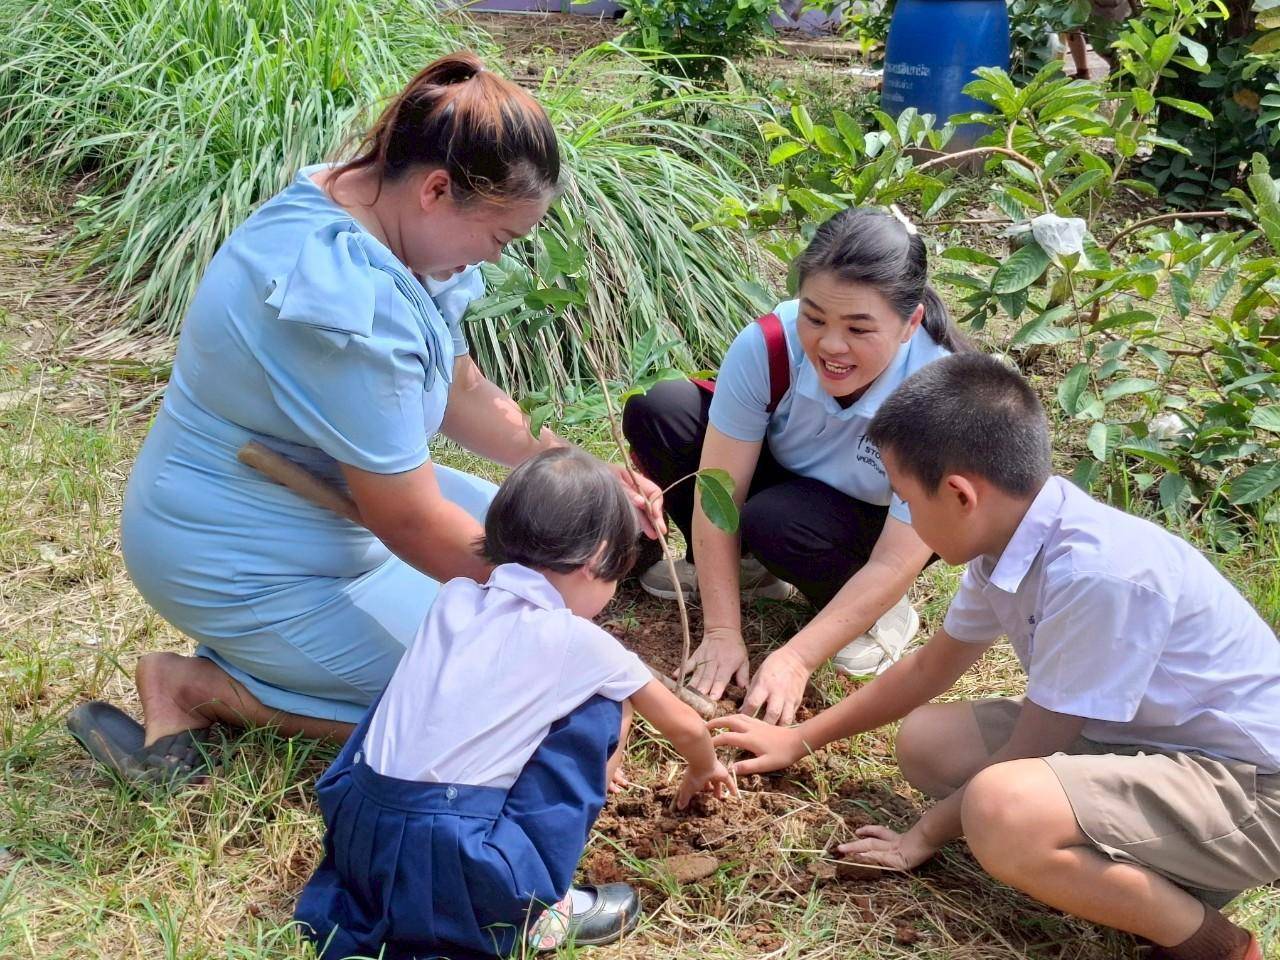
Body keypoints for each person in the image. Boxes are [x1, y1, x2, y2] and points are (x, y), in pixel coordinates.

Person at [66, 51, 662, 783]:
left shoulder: (374, 210)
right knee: (503, 710)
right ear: (436, 190)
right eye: (500, 238)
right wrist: (539, 608)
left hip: (334, 511)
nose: (492, 259)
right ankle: (205, 689)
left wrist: (577, 469)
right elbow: (408, 520)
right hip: (243, 556)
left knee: (547, 548)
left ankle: (276, 663)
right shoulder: (344, 296)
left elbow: (459, 388)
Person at [711, 353, 1280, 960]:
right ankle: (1154, 873)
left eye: (907, 500)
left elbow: (1036, 745)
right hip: (1151, 749)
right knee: (928, 742)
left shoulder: (1096, 573)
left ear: (960, 495)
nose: (908, 521)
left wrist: (920, 836)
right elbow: (930, 666)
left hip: (1251, 793)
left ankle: (1216, 945)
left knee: (998, 808)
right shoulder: (1007, 544)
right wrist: (800, 739)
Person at [295, 448, 735, 960]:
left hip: (357, 836)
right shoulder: (581, 644)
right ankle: (530, 913)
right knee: (602, 705)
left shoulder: (455, 598)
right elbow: (685, 727)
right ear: (598, 558)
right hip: (458, 863)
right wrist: (703, 767)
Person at [622, 206, 967, 726]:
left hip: (868, 528)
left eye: (858, 328)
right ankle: (747, 569)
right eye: (815, 317)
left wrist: (796, 659)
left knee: (775, 520)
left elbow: (896, 558)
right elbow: (718, 492)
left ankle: (878, 613)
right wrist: (722, 631)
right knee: (662, 410)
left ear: (909, 324)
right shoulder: (770, 345)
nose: (831, 345)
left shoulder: (938, 394)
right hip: (787, 482)